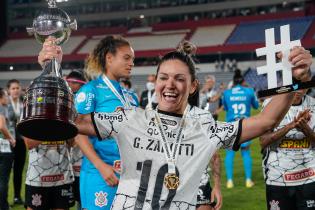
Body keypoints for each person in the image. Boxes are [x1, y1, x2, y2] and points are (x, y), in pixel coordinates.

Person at [76, 41, 312, 209]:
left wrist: (292, 79)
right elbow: (76, 123)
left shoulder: (204, 127)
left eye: (180, 79)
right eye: (163, 78)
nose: (170, 85)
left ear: (192, 87)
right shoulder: (129, 118)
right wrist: (49, 68)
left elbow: (266, 121)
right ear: (156, 83)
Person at [38, 35, 139, 210]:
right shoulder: (90, 91)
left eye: (133, 59)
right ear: (109, 58)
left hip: (127, 174)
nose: (131, 63)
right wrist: (102, 167)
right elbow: (77, 132)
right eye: (126, 58)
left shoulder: (131, 97)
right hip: (99, 173)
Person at [260, 88, 315, 210]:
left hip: (309, 178)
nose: (299, 90)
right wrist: (290, 126)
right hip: (278, 179)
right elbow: (263, 141)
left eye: (303, 86)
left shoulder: (313, 104)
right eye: (295, 85)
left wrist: (305, 129)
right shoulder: (271, 104)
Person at [221, 70, 259, 189]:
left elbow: (226, 108)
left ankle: (230, 181)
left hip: (231, 126)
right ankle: (248, 180)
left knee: (229, 153)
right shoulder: (249, 91)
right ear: (243, 81)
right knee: (246, 152)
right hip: (245, 125)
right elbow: (256, 106)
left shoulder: (227, 93)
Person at [23, 137, 75, 210]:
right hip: (37, 180)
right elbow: (29, 144)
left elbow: (72, 143)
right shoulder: (31, 125)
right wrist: (51, 128)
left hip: (62, 178)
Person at [66, 70, 87, 210]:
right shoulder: (71, 97)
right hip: (71, 150)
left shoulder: (84, 99)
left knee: (81, 192)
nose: (69, 85)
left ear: (78, 84)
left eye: (71, 83)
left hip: (82, 149)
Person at [6, 79, 26, 205]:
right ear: (8, 90)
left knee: (19, 170)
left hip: (21, 140)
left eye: (17, 88)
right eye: (13, 88)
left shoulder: (24, 102)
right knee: (6, 171)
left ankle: (17, 196)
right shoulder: (4, 103)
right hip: (7, 141)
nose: (16, 90)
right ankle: (3, 199)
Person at [0, 88, 16, 210]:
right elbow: (2, 126)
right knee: (3, 179)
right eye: (5, 96)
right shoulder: (2, 107)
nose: (7, 98)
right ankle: (3, 205)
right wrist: (11, 138)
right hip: (4, 148)